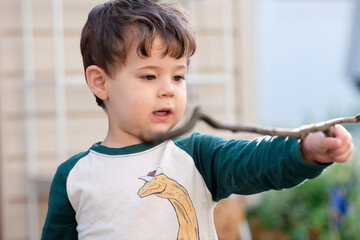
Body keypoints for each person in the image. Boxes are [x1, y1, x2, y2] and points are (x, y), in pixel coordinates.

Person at [41, 0, 354, 239]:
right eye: (149, 76)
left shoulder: (196, 157)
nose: (168, 90)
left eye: (178, 76)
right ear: (100, 82)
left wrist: (305, 151)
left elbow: (256, 161)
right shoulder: (74, 177)